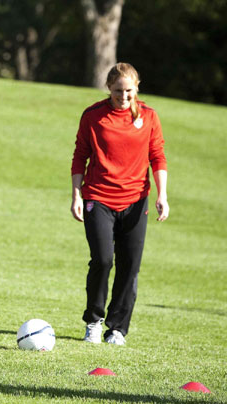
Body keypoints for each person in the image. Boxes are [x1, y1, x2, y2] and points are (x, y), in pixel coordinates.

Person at [71, 62, 169, 346]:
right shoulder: (93, 116)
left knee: (129, 266)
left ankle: (117, 329)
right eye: (117, 92)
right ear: (108, 89)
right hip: (98, 198)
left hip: (136, 201)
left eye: (128, 91)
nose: (123, 97)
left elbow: (158, 156)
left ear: (136, 89)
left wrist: (162, 195)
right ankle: (94, 321)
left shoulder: (149, 116)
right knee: (102, 260)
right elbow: (80, 156)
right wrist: (76, 195)